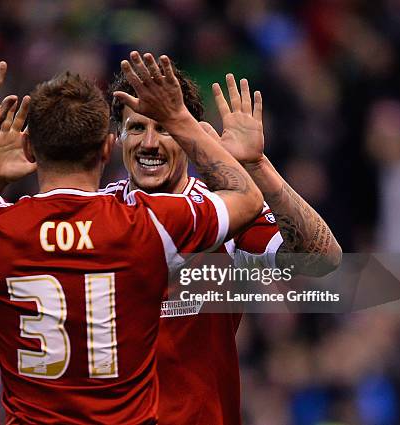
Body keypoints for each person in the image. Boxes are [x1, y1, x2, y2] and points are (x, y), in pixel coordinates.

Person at [0, 50, 264, 424]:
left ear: (30, 149)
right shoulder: (147, 226)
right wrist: (178, 119)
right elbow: (247, 199)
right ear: (108, 147)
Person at [104, 62, 342, 424]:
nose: (149, 143)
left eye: (165, 128)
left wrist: (257, 165)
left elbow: (322, 260)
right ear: (118, 136)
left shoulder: (227, 214)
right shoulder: (94, 214)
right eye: (137, 127)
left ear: (190, 136)